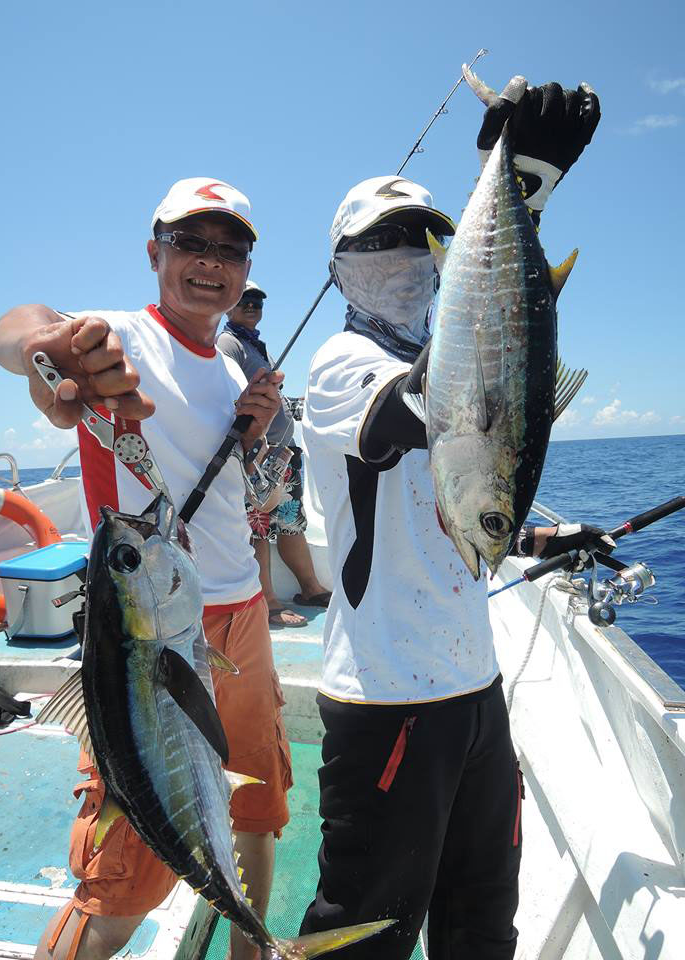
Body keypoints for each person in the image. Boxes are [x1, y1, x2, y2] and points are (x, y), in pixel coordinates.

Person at [299, 78, 611, 959]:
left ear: (449, 247)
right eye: (379, 240)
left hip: (476, 691)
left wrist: (542, 536)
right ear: (339, 265)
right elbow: (420, 408)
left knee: (481, 919)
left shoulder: (457, 349)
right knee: (364, 931)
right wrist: (520, 202)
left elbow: (455, 504)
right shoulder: (338, 363)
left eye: (421, 236)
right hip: (390, 697)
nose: (403, 252)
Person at [0, 178, 293, 960]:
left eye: (230, 250)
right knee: (121, 875)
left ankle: (253, 950)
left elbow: (235, 497)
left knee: (257, 811)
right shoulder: (115, 336)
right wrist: (43, 352)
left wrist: (252, 430)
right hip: (143, 633)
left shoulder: (232, 370)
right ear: (155, 251)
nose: (210, 264)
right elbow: (18, 328)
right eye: (192, 243)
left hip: (243, 615)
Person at [218, 281, 331, 627]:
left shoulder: (255, 345)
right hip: (259, 456)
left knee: (291, 523)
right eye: (244, 300)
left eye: (257, 301)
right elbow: (230, 395)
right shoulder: (229, 343)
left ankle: (310, 587)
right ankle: (267, 601)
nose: (252, 306)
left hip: (284, 454)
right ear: (229, 306)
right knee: (259, 528)